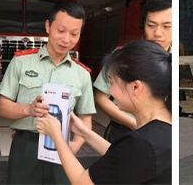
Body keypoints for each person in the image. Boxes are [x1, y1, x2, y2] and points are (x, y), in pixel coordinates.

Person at [35, 40, 171, 184]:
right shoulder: (162, 130)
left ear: (135, 87)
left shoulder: (142, 143)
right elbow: (122, 158)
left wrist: (56, 134)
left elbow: (82, 181)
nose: (110, 90)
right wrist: (84, 132)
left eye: (111, 82)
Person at [0, 0, 95, 184]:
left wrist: (75, 145)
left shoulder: (82, 74)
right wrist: (28, 109)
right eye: (61, 30)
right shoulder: (21, 62)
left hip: (62, 149)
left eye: (74, 34)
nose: (66, 39)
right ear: (48, 26)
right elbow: (2, 107)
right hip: (26, 147)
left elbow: (86, 119)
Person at [94, 0, 169, 145]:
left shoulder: (178, 60)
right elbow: (101, 98)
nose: (157, 33)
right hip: (123, 132)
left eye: (167, 26)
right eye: (151, 25)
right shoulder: (124, 55)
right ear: (143, 24)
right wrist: (136, 124)